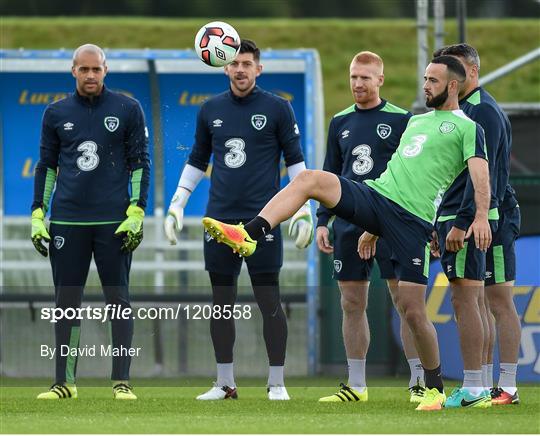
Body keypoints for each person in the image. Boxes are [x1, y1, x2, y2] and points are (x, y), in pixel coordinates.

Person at [203, 56, 492, 411]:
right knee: (310, 179)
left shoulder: (467, 128)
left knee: (413, 311)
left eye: (432, 80)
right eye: (424, 78)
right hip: (376, 197)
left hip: (412, 221)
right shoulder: (416, 122)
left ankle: (433, 388)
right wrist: (371, 228)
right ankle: (248, 233)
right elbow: (398, 174)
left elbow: (479, 178)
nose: (425, 85)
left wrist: (478, 217)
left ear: (451, 86)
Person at [164, 39, 313, 401]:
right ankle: (224, 383)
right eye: (235, 64)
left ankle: (276, 383)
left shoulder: (278, 108)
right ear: (225, 67)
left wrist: (304, 208)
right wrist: (177, 203)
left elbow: (295, 160)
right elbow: (198, 160)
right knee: (221, 302)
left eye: (248, 63)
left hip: (263, 219)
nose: (241, 69)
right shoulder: (210, 109)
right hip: (219, 220)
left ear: (258, 69)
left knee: (269, 302)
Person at [31, 44, 150, 400]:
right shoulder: (55, 113)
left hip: (114, 221)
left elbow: (140, 162)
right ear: (73, 71)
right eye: (83, 70)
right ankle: (64, 383)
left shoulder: (128, 108)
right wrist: (38, 212)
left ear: (105, 70)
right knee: (65, 303)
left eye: (96, 69)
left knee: (119, 300)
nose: (90, 76)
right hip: (67, 221)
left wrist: (137, 210)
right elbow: (47, 166)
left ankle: (121, 382)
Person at [314, 51, 425, 403]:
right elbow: (330, 173)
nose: (358, 83)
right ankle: (356, 385)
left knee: (404, 301)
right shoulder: (340, 121)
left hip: (392, 222)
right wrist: (322, 220)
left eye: (365, 77)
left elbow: (411, 175)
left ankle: (418, 381)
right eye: (353, 77)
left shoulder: (402, 119)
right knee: (351, 301)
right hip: (348, 223)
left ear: (380, 79)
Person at [435, 43, 521, 406]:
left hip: (492, 218)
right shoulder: (465, 110)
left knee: (499, 301)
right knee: (480, 302)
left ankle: (509, 386)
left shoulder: (482, 111)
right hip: (477, 216)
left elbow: (485, 176)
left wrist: (477, 217)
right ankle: (484, 385)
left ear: (470, 71)